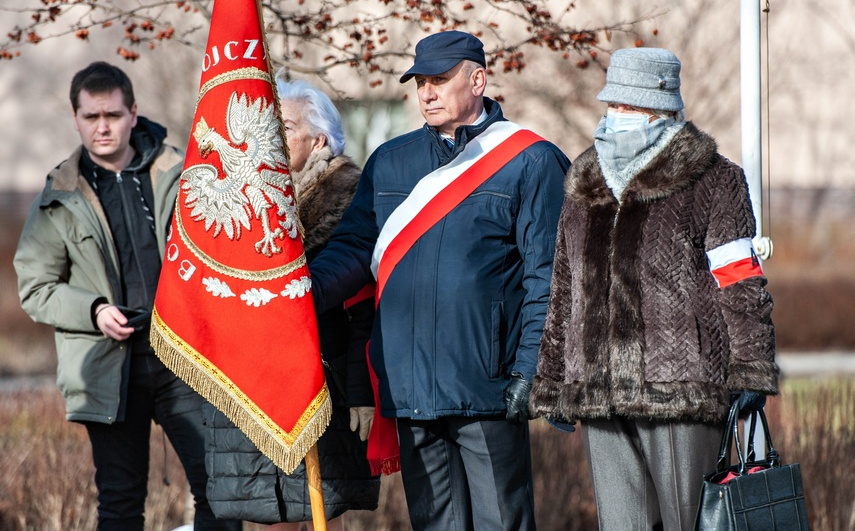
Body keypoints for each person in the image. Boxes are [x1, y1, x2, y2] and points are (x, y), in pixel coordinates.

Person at [308, 30, 571, 530]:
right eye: (420, 81)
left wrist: (531, 369)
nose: (426, 92)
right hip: (410, 385)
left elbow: (551, 278)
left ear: (478, 79)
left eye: (439, 80)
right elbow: (353, 248)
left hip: (489, 388)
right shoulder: (390, 161)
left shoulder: (530, 161)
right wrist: (301, 291)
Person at [529, 47, 778, 530]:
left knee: (690, 521)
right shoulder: (585, 180)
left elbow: (740, 281)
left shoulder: (714, 179)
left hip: (680, 383)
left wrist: (751, 369)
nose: (616, 117)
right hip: (598, 387)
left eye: (628, 106)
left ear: (659, 109)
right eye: (612, 105)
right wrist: (555, 380)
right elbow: (564, 286)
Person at [13, 61, 241, 531]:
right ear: (75, 118)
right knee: (120, 503)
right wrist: (93, 311)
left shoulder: (183, 171)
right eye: (91, 117)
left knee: (222, 491)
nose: (102, 127)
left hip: (184, 358)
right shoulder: (59, 195)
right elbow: (35, 288)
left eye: (112, 116)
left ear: (133, 113)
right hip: (107, 368)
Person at [203, 75, 380, 530]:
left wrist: (362, 391)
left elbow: (366, 312)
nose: (268, 139)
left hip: (324, 384)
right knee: (266, 511)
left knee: (320, 511)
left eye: (282, 127)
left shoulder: (351, 205)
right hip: (250, 387)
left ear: (319, 140)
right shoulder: (240, 202)